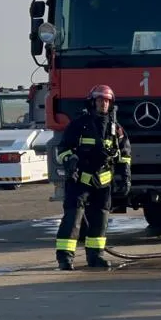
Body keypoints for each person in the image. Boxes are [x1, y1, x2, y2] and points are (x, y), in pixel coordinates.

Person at [53, 85, 132, 271]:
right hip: (79, 180)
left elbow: (125, 154)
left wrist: (125, 176)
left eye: (107, 101)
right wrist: (70, 161)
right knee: (73, 219)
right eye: (100, 100)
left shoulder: (116, 129)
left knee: (100, 220)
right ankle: (65, 259)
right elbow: (62, 149)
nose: (103, 104)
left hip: (103, 182)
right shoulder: (78, 125)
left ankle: (96, 257)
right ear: (92, 102)